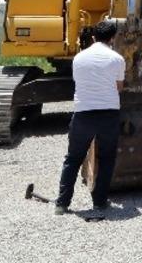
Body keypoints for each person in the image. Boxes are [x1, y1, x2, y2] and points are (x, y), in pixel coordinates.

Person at [54, 19, 126, 215]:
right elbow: (119, 87)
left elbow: (79, 83)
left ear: (93, 37)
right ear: (112, 38)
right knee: (106, 157)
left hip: (83, 113)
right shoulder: (117, 59)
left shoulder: (79, 58)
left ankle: (62, 203)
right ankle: (100, 202)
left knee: (73, 158)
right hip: (108, 114)